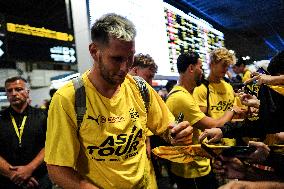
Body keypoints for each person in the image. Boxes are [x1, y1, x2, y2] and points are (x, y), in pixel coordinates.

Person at [44, 13, 193, 189]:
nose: (125, 67)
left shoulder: (140, 88)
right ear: (94, 51)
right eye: (116, 59)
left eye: (130, 57)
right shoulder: (69, 99)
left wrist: (177, 135)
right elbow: (57, 168)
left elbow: (167, 130)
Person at [166, 52, 243, 189]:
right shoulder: (182, 97)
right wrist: (232, 110)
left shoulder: (186, 94)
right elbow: (212, 125)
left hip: (201, 160)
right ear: (191, 68)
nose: (202, 71)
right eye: (200, 67)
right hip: (192, 168)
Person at [0, 76, 52, 189]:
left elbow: (50, 144)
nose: (14, 93)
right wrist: (13, 174)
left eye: (18, 89)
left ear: (27, 92)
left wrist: (29, 169)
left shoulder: (43, 116)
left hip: (39, 181)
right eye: (9, 91)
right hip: (8, 181)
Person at [193, 47, 243, 147]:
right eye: (223, 65)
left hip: (230, 141)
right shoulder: (201, 88)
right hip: (212, 145)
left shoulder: (228, 87)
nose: (225, 70)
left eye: (227, 66)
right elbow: (201, 122)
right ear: (212, 64)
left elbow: (235, 113)